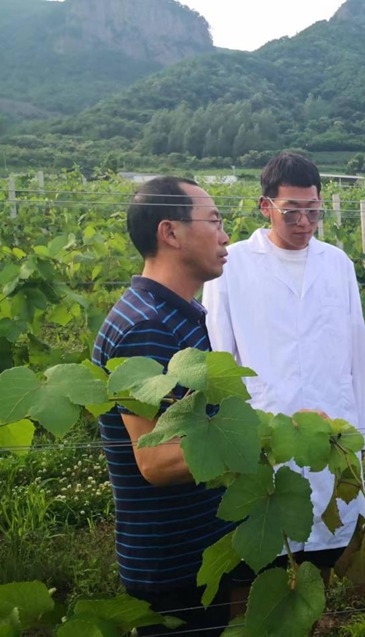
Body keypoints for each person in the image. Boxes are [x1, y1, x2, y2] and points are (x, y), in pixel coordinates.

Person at [202, 151, 365, 576]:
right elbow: (220, 356)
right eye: (291, 212)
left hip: (331, 424)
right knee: (268, 550)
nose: (304, 223)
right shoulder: (232, 265)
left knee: (329, 546)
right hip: (267, 425)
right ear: (266, 206)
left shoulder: (337, 263)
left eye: (313, 211)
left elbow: (357, 349)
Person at [92, 177, 234, 635]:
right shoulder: (146, 327)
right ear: (170, 232)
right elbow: (156, 460)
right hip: (172, 565)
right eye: (214, 221)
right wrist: (255, 442)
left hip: (191, 553)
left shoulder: (173, 313)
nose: (225, 236)